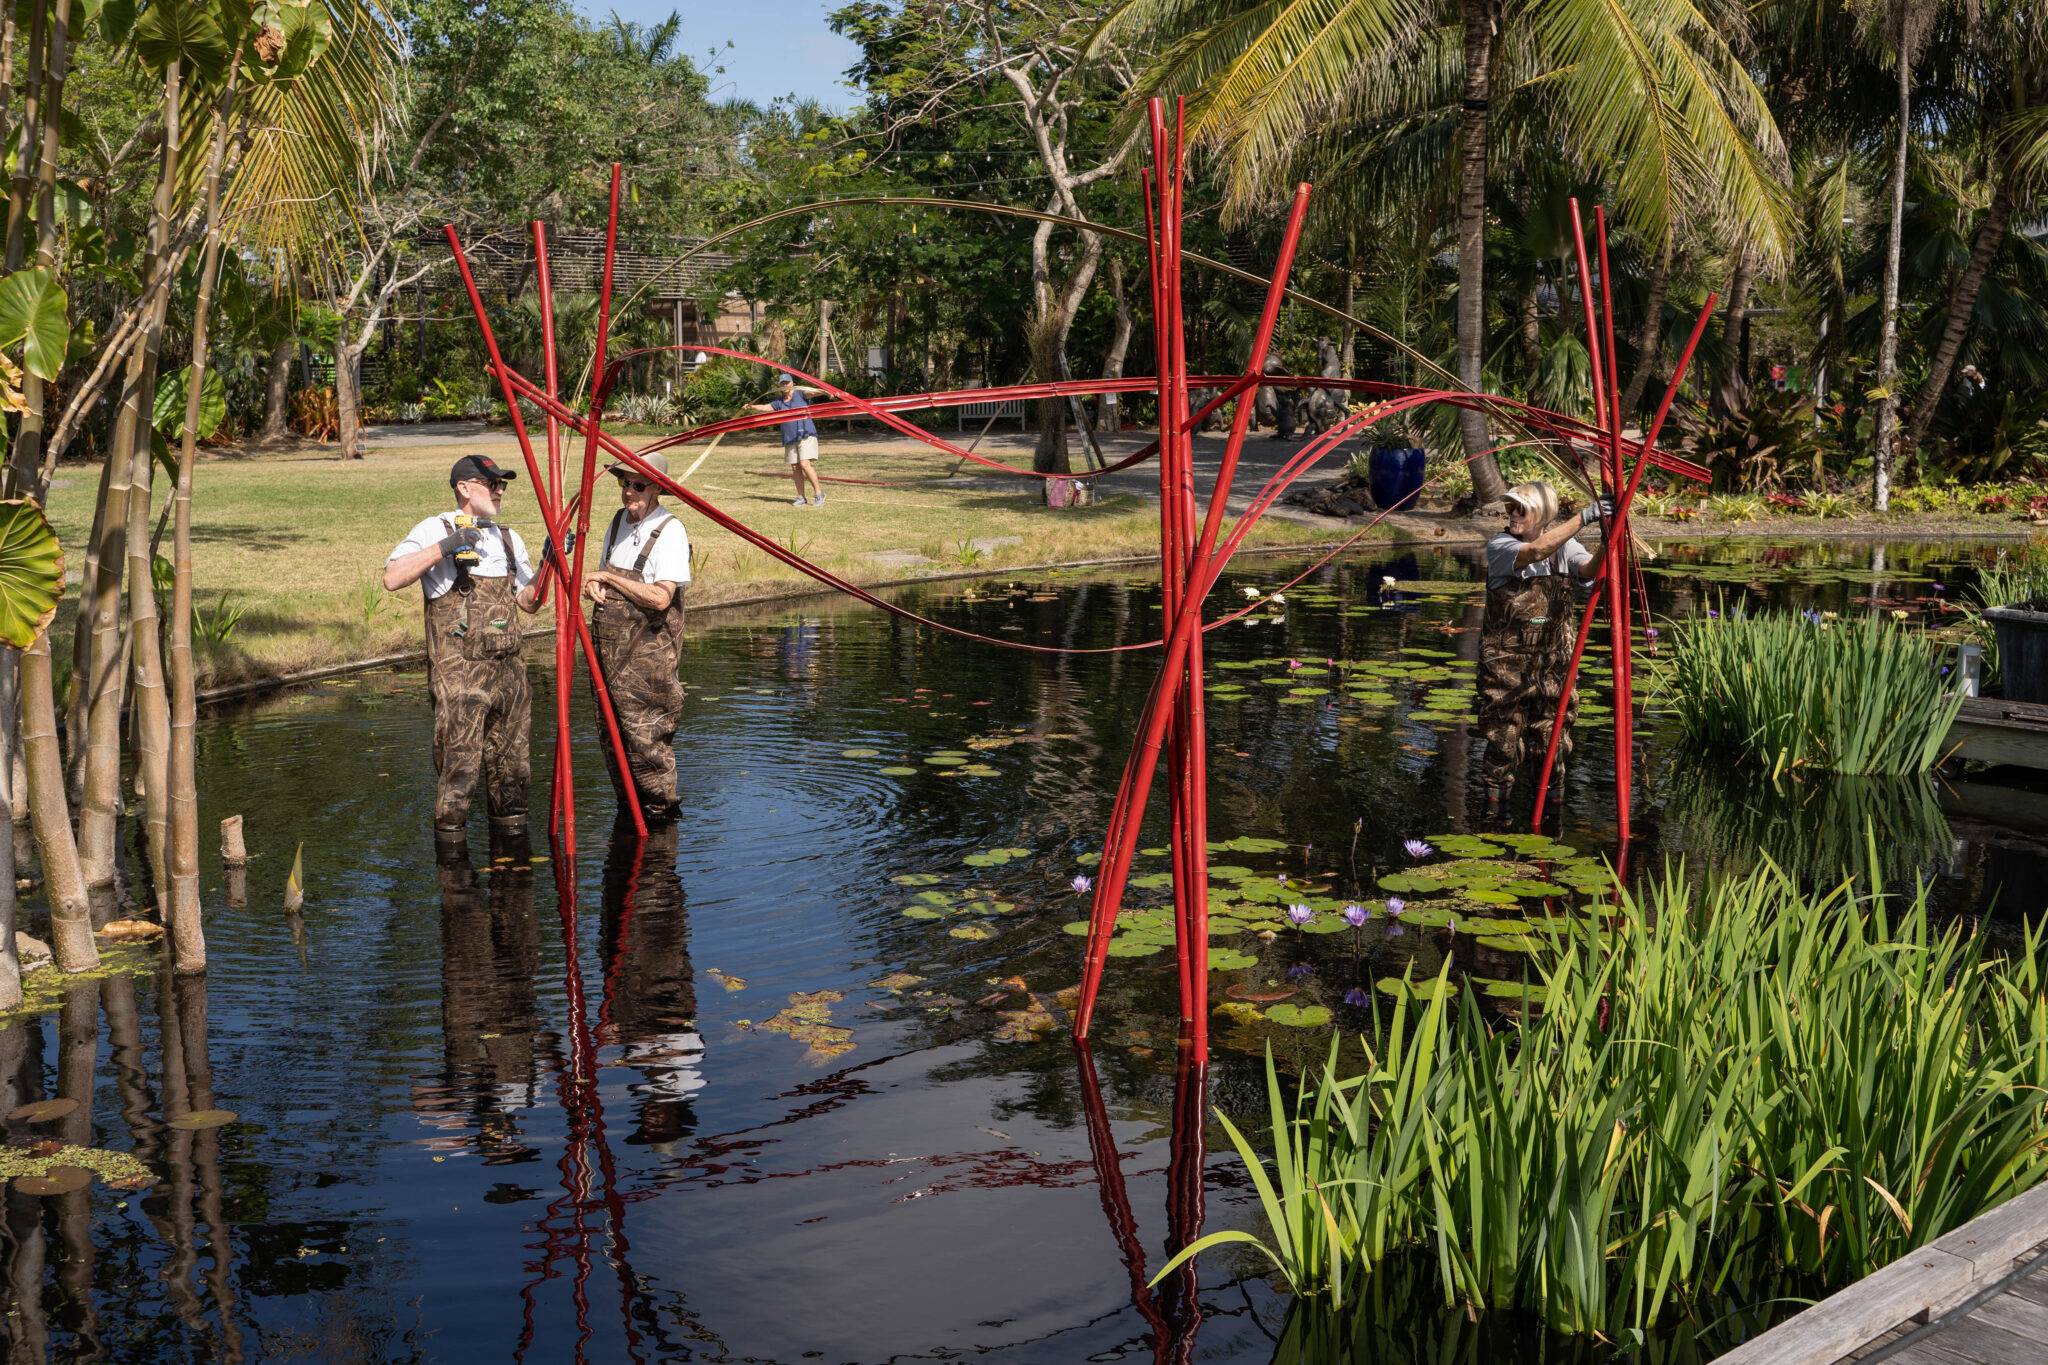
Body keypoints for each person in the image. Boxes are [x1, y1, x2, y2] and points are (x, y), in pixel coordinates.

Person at [385, 455, 542, 843]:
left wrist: (551, 561)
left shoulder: (509, 538)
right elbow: (393, 578)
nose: (500, 490)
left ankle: (512, 856)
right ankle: (452, 858)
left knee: (514, 775)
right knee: (460, 774)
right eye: (492, 484)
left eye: (503, 484)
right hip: (459, 683)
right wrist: (447, 545)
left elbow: (530, 602)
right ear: (464, 488)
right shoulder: (434, 527)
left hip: (511, 679)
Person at [1477, 481, 1613, 805]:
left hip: (1553, 668)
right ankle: (1494, 818)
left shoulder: (1565, 548)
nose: (1512, 514)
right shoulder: (1500, 545)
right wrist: (1585, 517)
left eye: (1520, 509)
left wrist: (1606, 545)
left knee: (1553, 748)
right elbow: (1536, 551)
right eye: (1510, 507)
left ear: (1541, 515)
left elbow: (1586, 571)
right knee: (1503, 748)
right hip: (1506, 669)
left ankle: (1550, 818)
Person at [584, 452, 692, 816]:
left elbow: (661, 597)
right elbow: (604, 575)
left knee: (647, 746)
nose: (628, 491)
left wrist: (607, 578)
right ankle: (630, 819)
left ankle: (662, 825)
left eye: (638, 485)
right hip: (608, 659)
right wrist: (595, 586)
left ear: (657, 488)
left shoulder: (670, 530)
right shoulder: (618, 522)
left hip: (649, 667)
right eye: (624, 483)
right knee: (612, 738)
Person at [746, 374, 827, 507]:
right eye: (782, 383)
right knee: (795, 467)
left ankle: (819, 494)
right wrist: (751, 407)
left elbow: (812, 393)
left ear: (792, 383)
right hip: (790, 437)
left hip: (805, 434)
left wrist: (825, 391)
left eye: (787, 383)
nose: (785, 385)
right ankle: (801, 497)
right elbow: (766, 408)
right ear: (779, 386)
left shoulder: (801, 394)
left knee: (805, 464)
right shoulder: (779, 402)